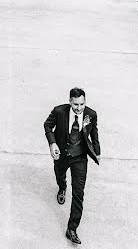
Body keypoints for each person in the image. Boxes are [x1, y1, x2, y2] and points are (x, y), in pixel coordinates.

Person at [43, 88, 101, 246]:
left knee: (79, 193)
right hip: (62, 154)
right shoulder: (59, 112)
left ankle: (72, 228)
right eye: (76, 104)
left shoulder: (91, 114)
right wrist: (52, 143)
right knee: (59, 175)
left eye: (82, 104)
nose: (79, 108)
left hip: (80, 158)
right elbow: (47, 126)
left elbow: (94, 133)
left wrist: (97, 151)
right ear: (70, 101)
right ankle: (62, 187)